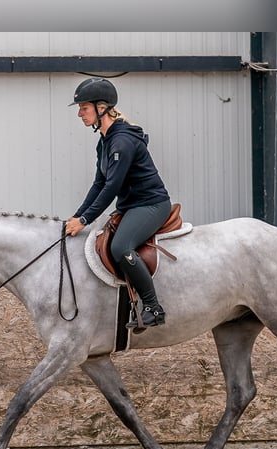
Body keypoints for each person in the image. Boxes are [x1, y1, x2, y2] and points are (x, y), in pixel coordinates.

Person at [64, 77, 172, 329]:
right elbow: (98, 184)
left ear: (102, 108)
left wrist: (84, 220)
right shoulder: (105, 141)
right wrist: (77, 216)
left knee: (121, 247)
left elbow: (112, 187)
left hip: (151, 204)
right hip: (131, 206)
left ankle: (153, 308)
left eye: (84, 108)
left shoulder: (122, 141)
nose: (80, 114)